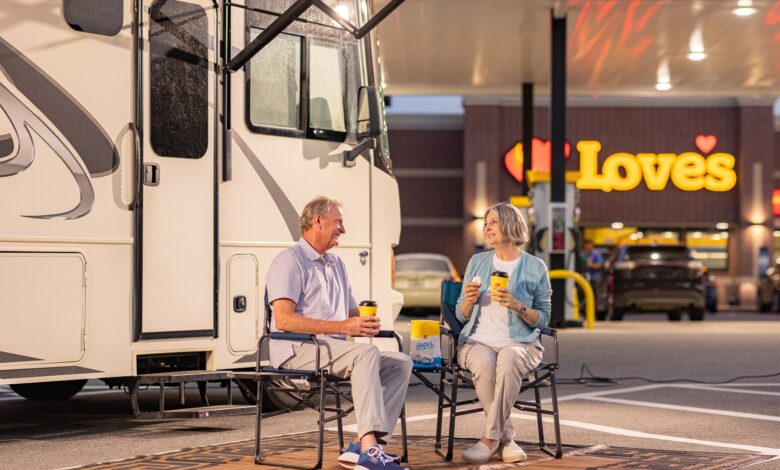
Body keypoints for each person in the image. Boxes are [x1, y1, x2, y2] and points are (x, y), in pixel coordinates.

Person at [266, 196, 412, 470]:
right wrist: (344, 327)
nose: (343, 230)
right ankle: (369, 452)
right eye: (339, 222)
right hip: (295, 349)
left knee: (401, 363)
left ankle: (364, 446)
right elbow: (284, 320)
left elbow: (350, 314)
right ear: (318, 221)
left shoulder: (336, 264)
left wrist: (363, 322)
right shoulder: (288, 261)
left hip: (332, 349)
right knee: (365, 353)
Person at [455, 202, 552, 464]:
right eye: (486, 223)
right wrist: (468, 301)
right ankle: (506, 439)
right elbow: (460, 315)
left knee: (509, 359)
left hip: (521, 343)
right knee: (484, 362)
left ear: (511, 225)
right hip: (477, 340)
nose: (487, 227)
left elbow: (543, 319)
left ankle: (489, 439)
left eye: (494, 222)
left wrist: (517, 305)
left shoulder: (535, 267)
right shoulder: (477, 262)